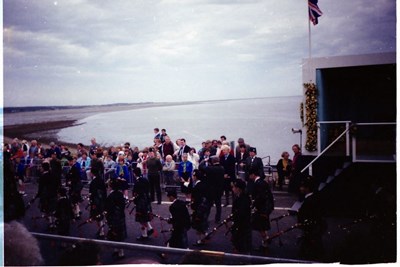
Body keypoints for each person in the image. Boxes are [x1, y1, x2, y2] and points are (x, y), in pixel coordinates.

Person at [297, 176, 326, 261]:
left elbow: (309, 214)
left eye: (302, 187)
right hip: (315, 226)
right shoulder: (313, 198)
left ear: (307, 188)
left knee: (313, 246)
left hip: (312, 227)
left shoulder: (310, 200)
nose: (300, 188)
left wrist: (301, 221)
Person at [249, 169, 274, 251]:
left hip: (262, 208)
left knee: (261, 226)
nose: (249, 177)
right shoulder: (262, 182)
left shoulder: (258, 183)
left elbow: (261, 197)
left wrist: (254, 205)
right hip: (265, 207)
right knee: (261, 226)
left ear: (253, 175)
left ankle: (266, 242)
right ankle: (265, 242)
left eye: (250, 175)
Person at [105, 179, 128, 260]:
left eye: (108, 185)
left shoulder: (110, 196)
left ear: (111, 187)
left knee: (116, 233)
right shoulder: (120, 194)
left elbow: (108, 208)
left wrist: (108, 217)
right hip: (120, 216)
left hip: (113, 217)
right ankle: (116, 250)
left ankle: (121, 253)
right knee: (117, 233)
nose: (108, 187)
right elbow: (122, 206)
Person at [199, 156, 225, 223]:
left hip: (210, 190)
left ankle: (206, 218)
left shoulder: (209, 168)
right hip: (219, 190)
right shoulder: (222, 168)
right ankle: (217, 219)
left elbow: (200, 166)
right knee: (218, 206)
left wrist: (205, 160)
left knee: (208, 205)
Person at [133, 167, 155, 241]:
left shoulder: (137, 182)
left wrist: (134, 201)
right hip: (147, 201)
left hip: (140, 202)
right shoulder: (145, 180)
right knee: (145, 216)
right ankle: (150, 228)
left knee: (141, 219)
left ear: (134, 174)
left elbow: (135, 194)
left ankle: (144, 235)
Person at [230, 179, 252, 254]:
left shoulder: (243, 199)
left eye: (233, 187)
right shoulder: (241, 197)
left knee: (242, 245)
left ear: (238, 189)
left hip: (242, 225)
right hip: (241, 225)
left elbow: (241, 214)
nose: (232, 189)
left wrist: (234, 221)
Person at [36, 161, 58, 230]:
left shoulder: (43, 176)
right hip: (53, 194)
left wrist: (38, 194)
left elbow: (41, 187)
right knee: (53, 209)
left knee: (47, 209)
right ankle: (54, 222)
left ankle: (51, 223)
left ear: (43, 168)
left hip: (46, 195)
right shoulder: (53, 175)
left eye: (41, 167)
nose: (40, 168)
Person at [190, 169, 210, 246]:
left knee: (198, 224)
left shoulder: (197, 186)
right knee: (202, 223)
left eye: (193, 175)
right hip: (204, 206)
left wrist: (193, 207)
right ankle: (205, 235)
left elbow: (196, 199)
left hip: (199, 208)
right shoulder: (203, 184)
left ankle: (200, 240)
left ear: (196, 176)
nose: (192, 177)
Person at [89, 167, 107, 239]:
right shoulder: (101, 180)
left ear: (93, 173)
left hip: (96, 201)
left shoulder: (93, 182)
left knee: (97, 216)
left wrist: (91, 201)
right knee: (100, 216)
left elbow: (92, 193)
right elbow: (104, 191)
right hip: (102, 200)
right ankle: (101, 231)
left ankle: (101, 232)